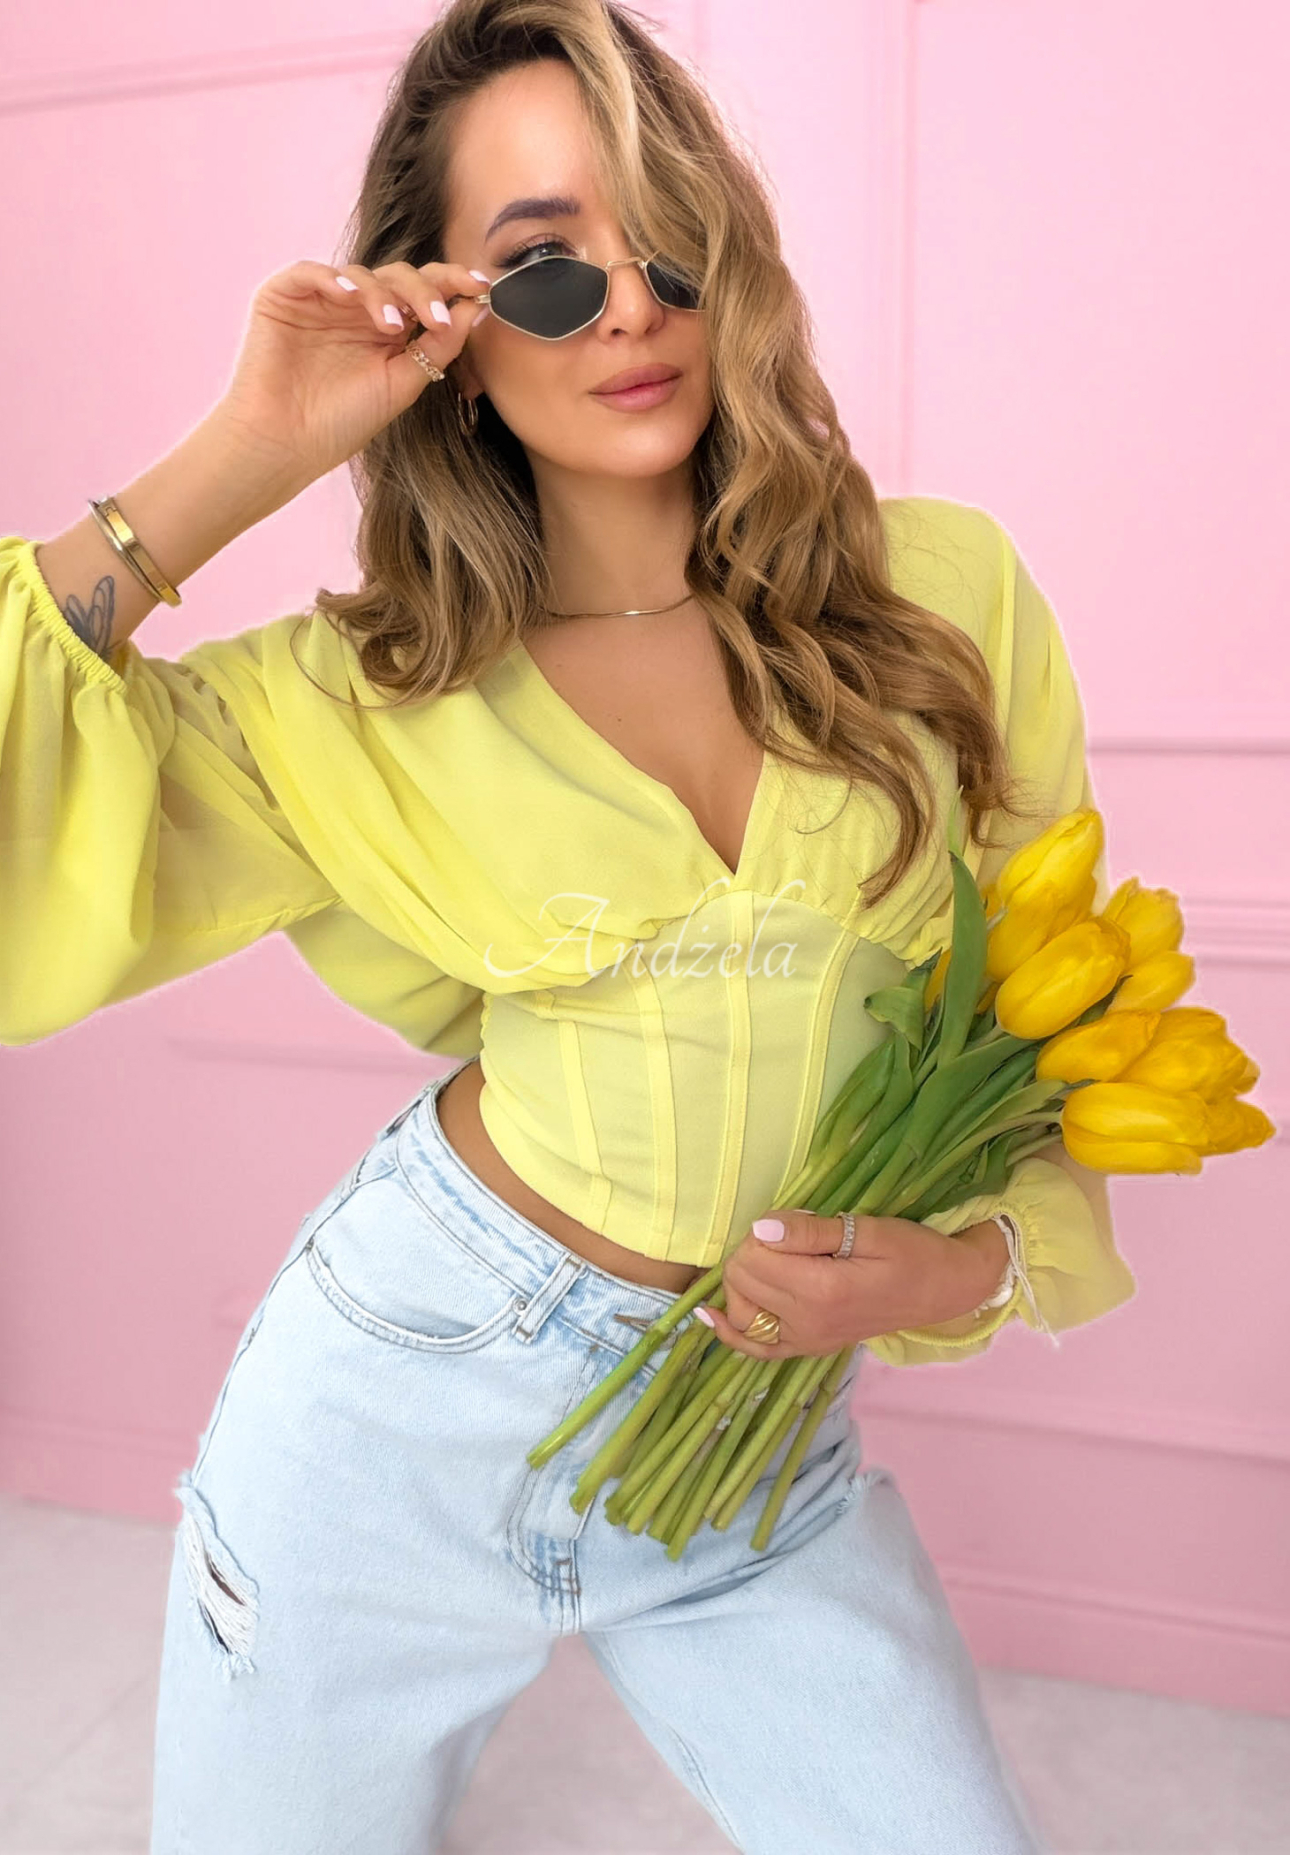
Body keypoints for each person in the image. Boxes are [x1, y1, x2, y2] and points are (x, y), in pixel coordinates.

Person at [1, 1, 1137, 1848]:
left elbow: (1048, 1011)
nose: (625, 306)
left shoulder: (940, 600)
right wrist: (246, 449)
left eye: (666, 243)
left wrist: (973, 1269)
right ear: (441, 333)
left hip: (760, 1454)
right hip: (393, 1428)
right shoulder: (357, 694)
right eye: (540, 273)